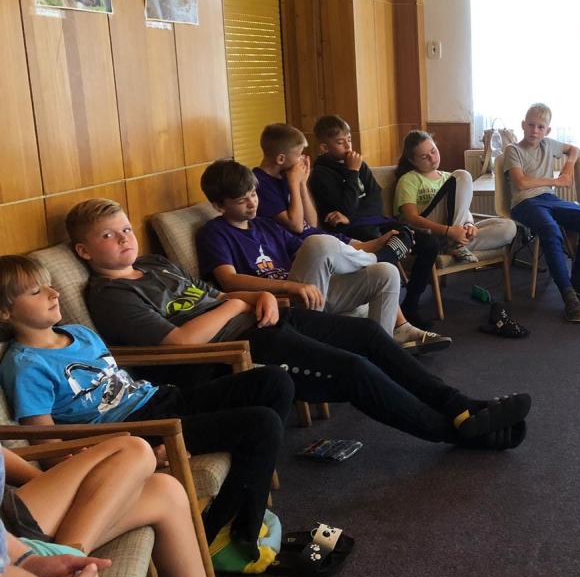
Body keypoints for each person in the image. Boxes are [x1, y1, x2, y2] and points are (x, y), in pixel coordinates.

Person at [66, 199, 531, 451]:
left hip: (262, 320)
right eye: (108, 235)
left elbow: (216, 295)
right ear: (85, 251)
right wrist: (239, 305)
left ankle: (461, 406)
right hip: (231, 353)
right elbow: (179, 343)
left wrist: (263, 295)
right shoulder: (111, 295)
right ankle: (454, 432)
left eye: (125, 228)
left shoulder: (152, 264)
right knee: (352, 369)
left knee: (369, 334)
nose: (124, 239)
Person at [0, 254, 292, 575]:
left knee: (274, 381)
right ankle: (227, 534)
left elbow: (119, 378)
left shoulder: (79, 333)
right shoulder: (26, 366)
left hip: (159, 398)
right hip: (134, 429)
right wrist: (84, 463)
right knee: (261, 423)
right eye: (36, 292)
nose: (53, 293)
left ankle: (239, 507)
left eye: (49, 285)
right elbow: (45, 441)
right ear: (5, 312)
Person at [1, 441, 266, 577]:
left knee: (165, 491)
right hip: (11, 528)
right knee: (135, 449)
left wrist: (58, 482)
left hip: (11, 523)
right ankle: (72, 557)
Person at [197, 159, 449, 354]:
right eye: (242, 200)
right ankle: (377, 257)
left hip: (313, 292)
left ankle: (383, 351)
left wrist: (373, 244)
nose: (253, 203)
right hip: (283, 303)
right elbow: (229, 281)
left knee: (386, 272)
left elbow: (314, 254)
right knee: (318, 242)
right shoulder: (214, 232)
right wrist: (291, 286)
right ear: (219, 205)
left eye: (254, 194)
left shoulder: (266, 225)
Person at [307, 115, 440, 329]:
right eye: (340, 142)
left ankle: (411, 304)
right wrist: (352, 173)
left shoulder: (360, 165)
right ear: (324, 147)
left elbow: (375, 201)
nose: (348, 146)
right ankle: (391, 309)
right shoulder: (321, 174)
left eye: (349, 139)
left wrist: (350, 213)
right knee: (380, 240)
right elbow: (345, 206)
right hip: (351, 231)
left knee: (428, 242)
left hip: (374, 220)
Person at [503, 103, 580, 323]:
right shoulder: (513, 150)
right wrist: (555, 181)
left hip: (550, 199)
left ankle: (578, 278)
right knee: (551, 230)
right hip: (524, 203)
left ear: (547, 130)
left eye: (541, 127)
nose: (535, 130)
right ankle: (568, 295)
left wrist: (568, 168)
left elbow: (574, 150)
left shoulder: (549, 144)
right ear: (523, 125)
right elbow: (521, 183)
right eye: (531, 125)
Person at [394, 129, 516, 266]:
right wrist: (448, 231)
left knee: (509, 227)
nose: (432, 158)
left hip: (455, 230)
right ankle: (452, 242)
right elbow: (412, 219)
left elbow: (463, 209)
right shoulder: (409, 179)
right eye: (424, 157)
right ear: (412, 160)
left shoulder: (448, 177)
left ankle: (456, 244)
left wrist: (469, 224)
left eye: (433, 151)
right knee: (463, 175)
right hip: (431, 232)